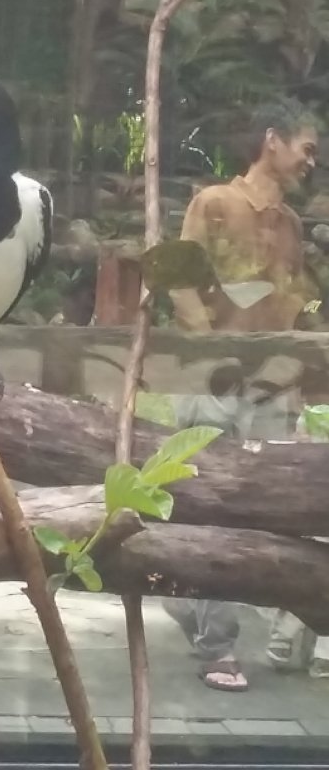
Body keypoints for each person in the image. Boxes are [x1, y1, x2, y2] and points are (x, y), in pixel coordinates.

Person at [164, 99, 318, 693]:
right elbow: (178, 279)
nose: (311, 161)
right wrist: (209, 353)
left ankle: (203, 621)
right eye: (305, 148)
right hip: (212, 383)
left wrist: (300, 378)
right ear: (271, 141)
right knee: (205, 508)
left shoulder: (292, 225)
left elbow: (296, 304)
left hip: (273, 387)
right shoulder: (215, 204)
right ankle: (217, 644)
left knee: (262, 516)